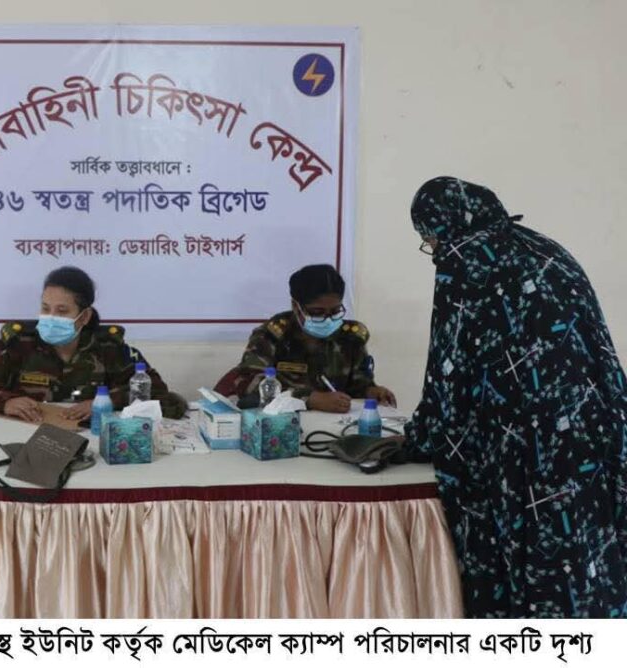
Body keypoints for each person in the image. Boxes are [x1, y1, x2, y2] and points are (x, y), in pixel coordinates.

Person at [403, 176, 627, 617]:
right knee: (586, 557)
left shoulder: (465, 262)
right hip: (591, 430)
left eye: (428, 238)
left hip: (526, 449)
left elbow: (449, 370)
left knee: (533, 564)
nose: (433, 249)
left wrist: (418, 439)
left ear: (442, 226)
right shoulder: (545, 249)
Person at [0, 266, 187, 421]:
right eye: (45, 308)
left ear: (84, 317)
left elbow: (157, 391)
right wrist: (5, 402)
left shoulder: (109, 348)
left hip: (93, 442)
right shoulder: (18, 345)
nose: (51, 317)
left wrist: (106, 402)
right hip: (26, 438)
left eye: (62, 311)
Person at [214, 264, 396, 411]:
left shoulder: (351, 337)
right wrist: (308, 399)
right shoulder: (272, 335)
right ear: (296, 306)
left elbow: (358, 385)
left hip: (335, 425)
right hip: (283, 423)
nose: (327, 319)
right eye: (317, 312)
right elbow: (248, 383)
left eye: (335, 311)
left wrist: (371, 391)